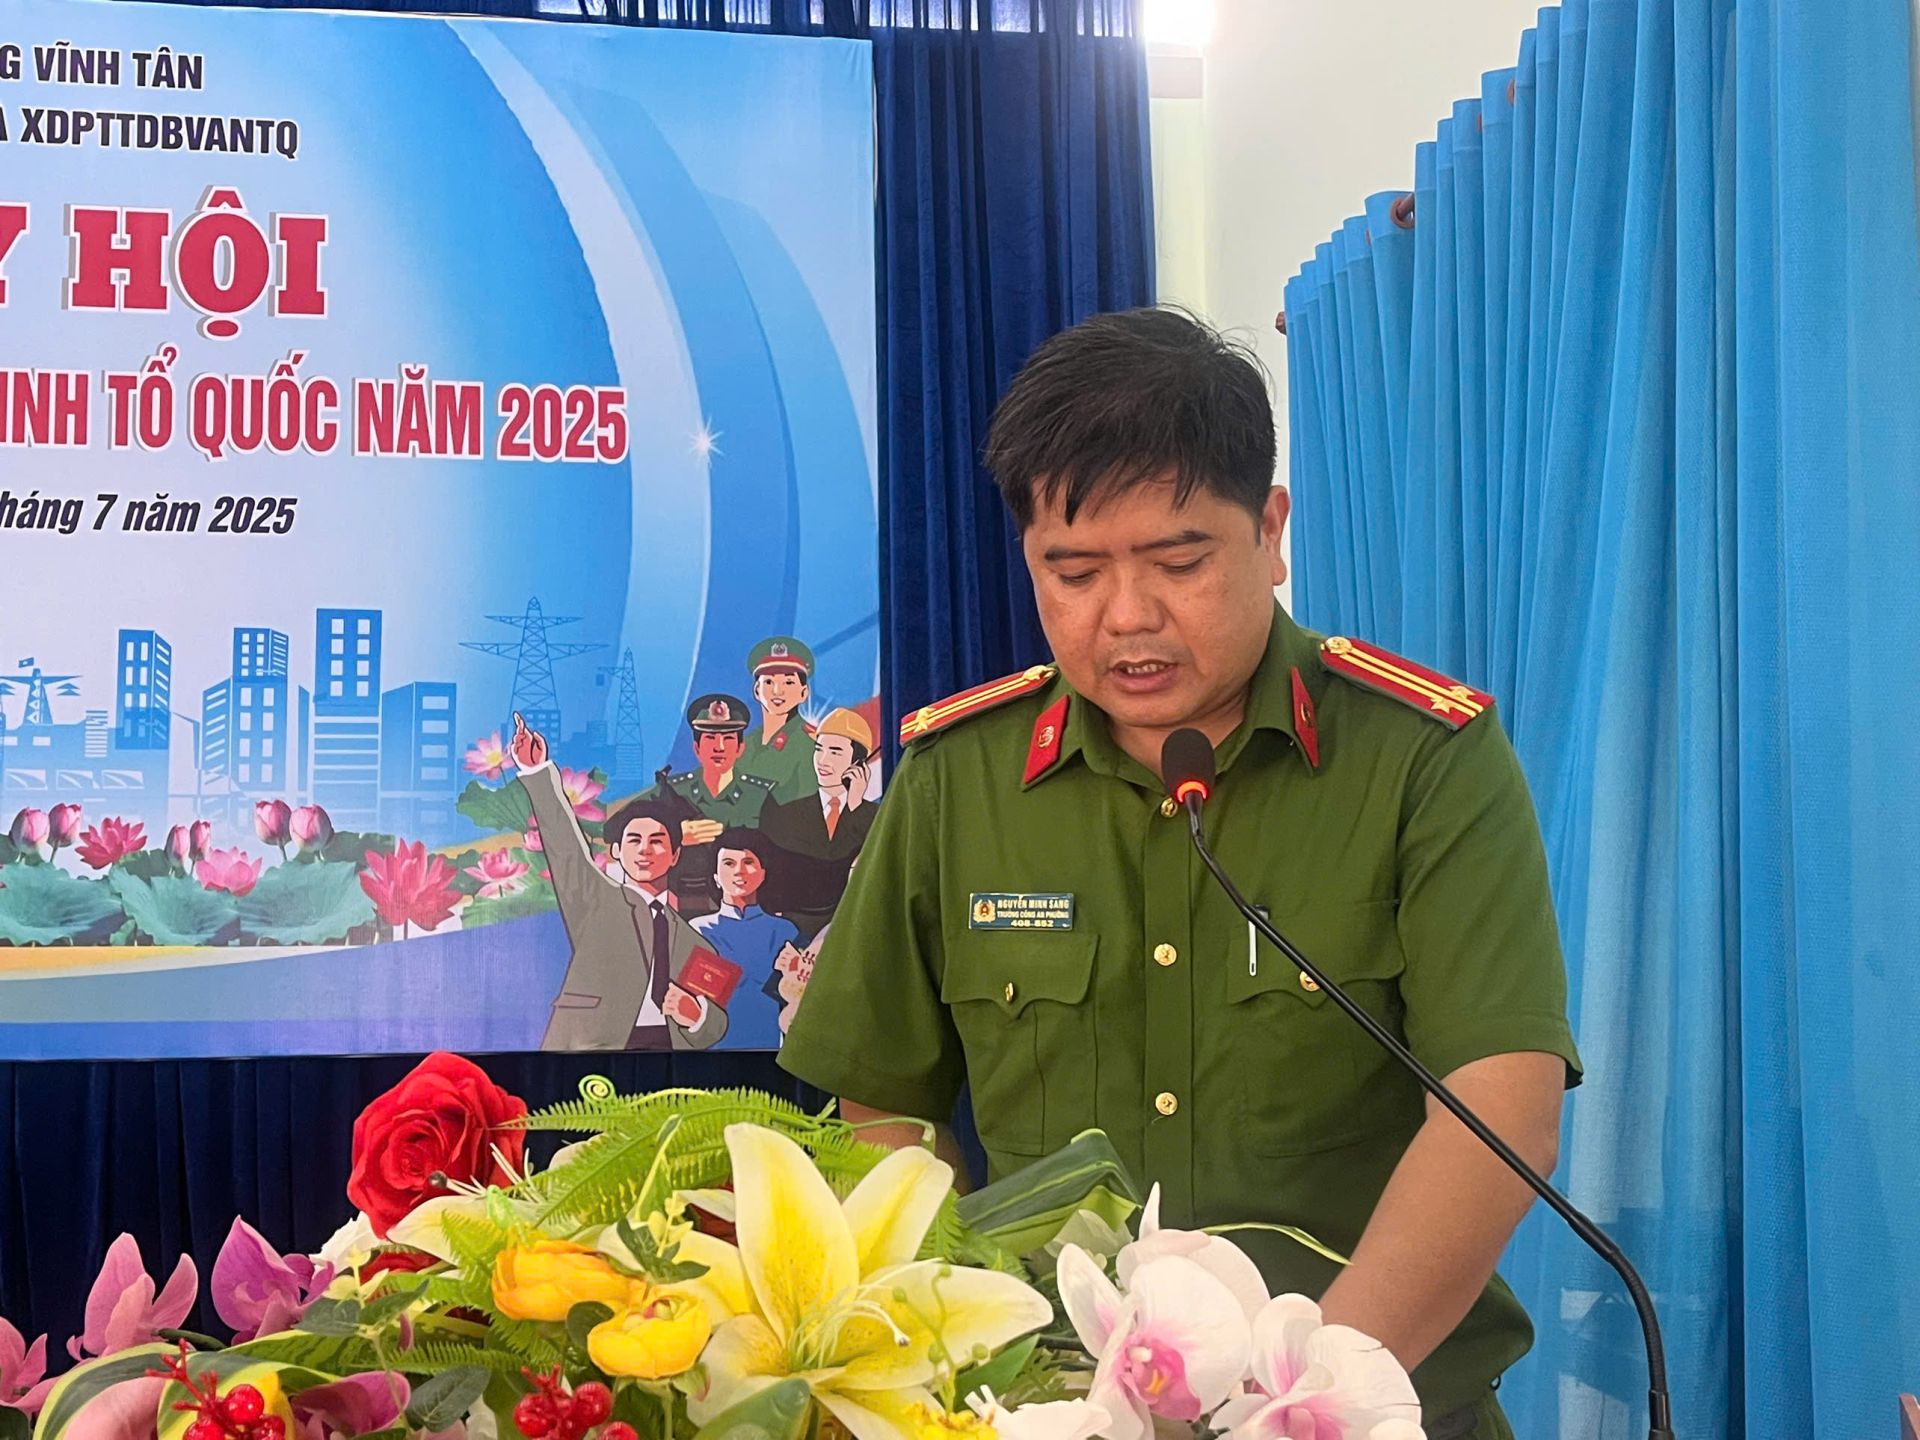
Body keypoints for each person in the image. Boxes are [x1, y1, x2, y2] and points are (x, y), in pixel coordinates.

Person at [778, 307, 1581, 1440]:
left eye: (1179, 562)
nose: (1127, 616)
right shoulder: (959, 778)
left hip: (1373, 1415)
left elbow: (1500, 1113)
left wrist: (1300, 1406)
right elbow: (882, 1106)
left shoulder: (1423, 760)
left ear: (1271, 530)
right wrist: (966, 1351)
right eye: (1073, 572)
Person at [510, 713, 728, 1052]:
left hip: (671, 1057)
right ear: (616, 851)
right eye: (634, 841)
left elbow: (716, 1025)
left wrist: (695, 1015)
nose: (645, 851)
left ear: (675, 855)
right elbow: (566, 849)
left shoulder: (695, 944)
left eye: (657, 841)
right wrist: (537, 772)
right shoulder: (596, 899)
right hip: (595, 1049)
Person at [644, 693, 776, 914]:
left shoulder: (760, 795)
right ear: (696, 748)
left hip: (744, 907)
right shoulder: (672, 791)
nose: (719, 747)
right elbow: (616, 829)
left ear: (740, 748)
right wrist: (674, 835)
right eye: (710, 738)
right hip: (682, 905)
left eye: (728, 739)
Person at [755, 706, 879, 943]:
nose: (823, 761)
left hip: (854, 930)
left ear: (858, 763)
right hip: (792, 933)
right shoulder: (785, 814)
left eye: (835, 752)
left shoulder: (874, 816)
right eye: (818, 749)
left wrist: (856, 809)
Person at [689, 827, 800, 1049]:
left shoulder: (785, 931)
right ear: (715, 876)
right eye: (729, 863)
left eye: (748, 862)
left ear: (763, 873)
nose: (739, 871)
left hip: (770, 1045)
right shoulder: (697, 930)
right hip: (713, 1046)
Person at [736, 637, 819, 804]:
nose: (777, 691)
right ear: (757, 690)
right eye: (769, 681)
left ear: (804, 693)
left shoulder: (810, 745)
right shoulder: (745, 744)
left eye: (788, 682)